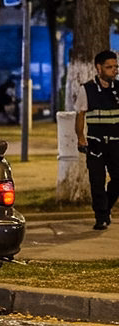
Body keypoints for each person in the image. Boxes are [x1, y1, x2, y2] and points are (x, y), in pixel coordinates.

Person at [74, 49, 119, 230]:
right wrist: (80, 138)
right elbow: (80, 115)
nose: (114, 70)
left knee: (118, 179)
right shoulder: (87, 90)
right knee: (97, 182)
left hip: (116, 143)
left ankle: (105, 208)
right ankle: (101, 218)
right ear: (98, 68)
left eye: (116, 67)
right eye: (109, 67)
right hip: (96, 144)